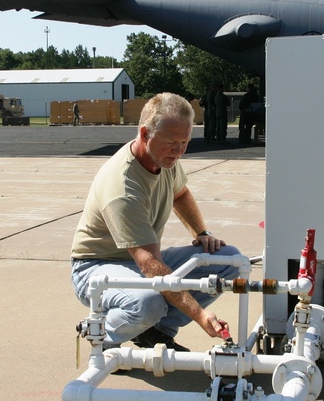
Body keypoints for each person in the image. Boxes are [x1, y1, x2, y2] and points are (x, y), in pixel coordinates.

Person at [70, 92, 242, 350]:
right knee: (148, 302)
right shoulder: (123, 186)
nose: (179, 151)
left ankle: (153, 331)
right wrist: (199, 315)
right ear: (144, 134)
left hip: (140, 259)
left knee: (228, 260)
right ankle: (102, 337)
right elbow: (150, 265)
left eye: (184, 142)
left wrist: (201, 231)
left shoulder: (165, 158)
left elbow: (180, 193)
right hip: (96, 266)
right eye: (172, 142)